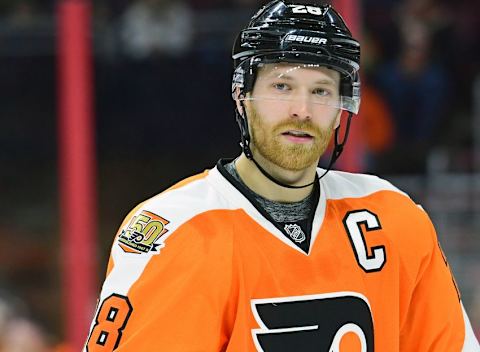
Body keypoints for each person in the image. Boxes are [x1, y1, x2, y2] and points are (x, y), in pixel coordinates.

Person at [84, 1, 480, 351]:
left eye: (321, 91)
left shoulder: (394, 217)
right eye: (282, 86)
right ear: (242, 94)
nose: (302, 110)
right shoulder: (177, 230)